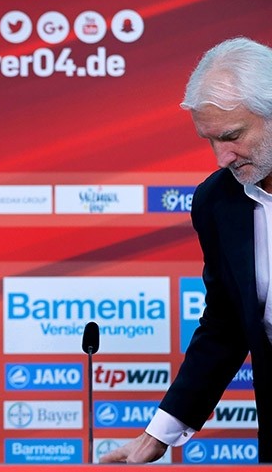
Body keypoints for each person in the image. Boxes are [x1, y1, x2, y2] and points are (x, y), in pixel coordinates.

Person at [101, 36, 272, 464]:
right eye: (209, 140)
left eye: (232, 136)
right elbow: (226, 325)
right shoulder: (217, 201)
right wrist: (158, 434)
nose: (221, 157)